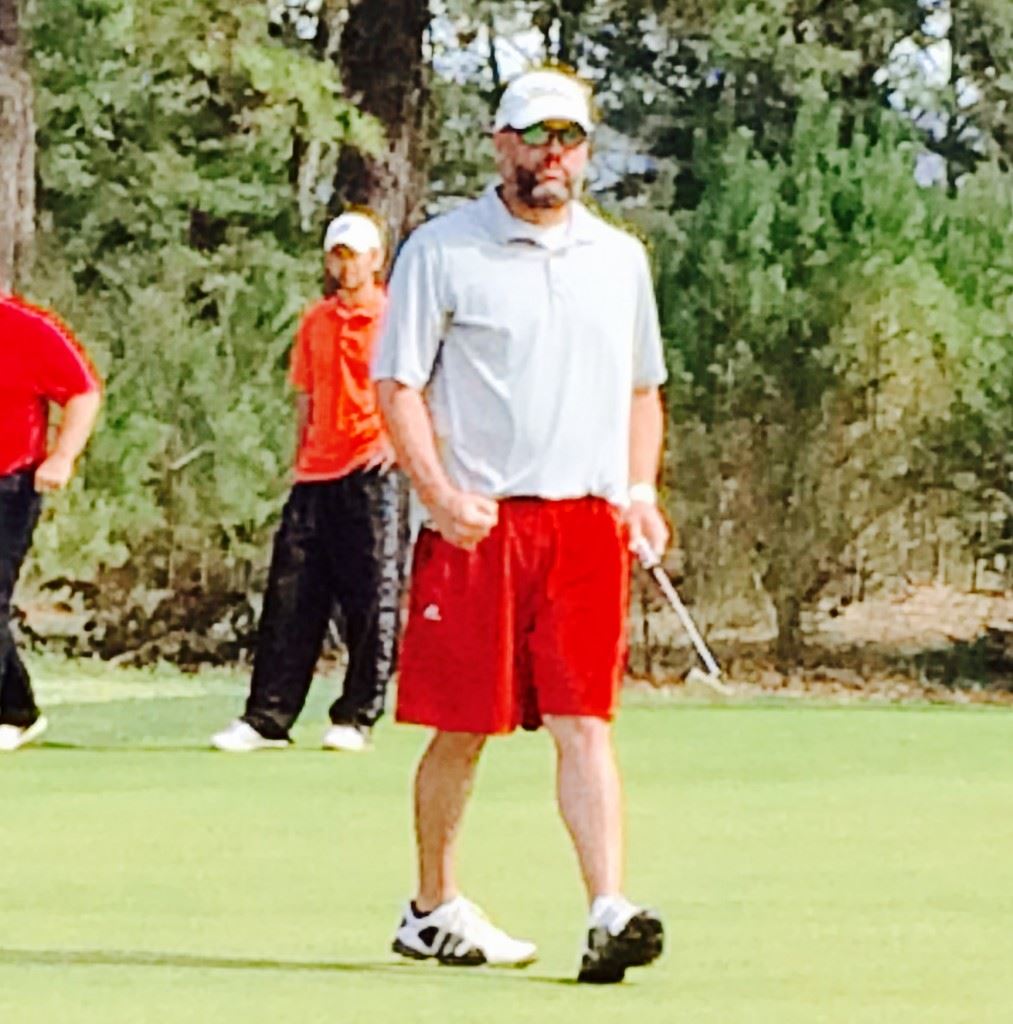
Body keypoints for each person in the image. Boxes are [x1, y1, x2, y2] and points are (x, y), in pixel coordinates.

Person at [373, 68, 669, 983]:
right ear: (500, 142)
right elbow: (397, 385)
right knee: (463, 726)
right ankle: (431, 908)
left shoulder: (617, 258)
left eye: (569, 139)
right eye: (535, 136)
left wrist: (640, 488)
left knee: (586, 721)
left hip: (585, 525)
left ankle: (606, 908)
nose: (553, 155)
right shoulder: (443, 249)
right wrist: (437, 493)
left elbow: (641, 391)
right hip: (481, 524)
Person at [212, 211, 404, 753]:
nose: (345, 266)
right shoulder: (316, 321)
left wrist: (396, 444)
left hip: (370, 468)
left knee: (370, 595)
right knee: (292, 595)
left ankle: (356, 715)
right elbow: (306, 393)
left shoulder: (394, 317)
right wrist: (299, 457)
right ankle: (269, 717)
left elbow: (422, 385)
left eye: (355, 255)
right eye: (337, 255)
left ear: (375, 260)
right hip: (316, 472)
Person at [0, 295, 102, 752]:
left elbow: (83, 392)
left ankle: (12, 713)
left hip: (11, 482)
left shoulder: (26, 327)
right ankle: (17, 708)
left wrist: (63, 456)